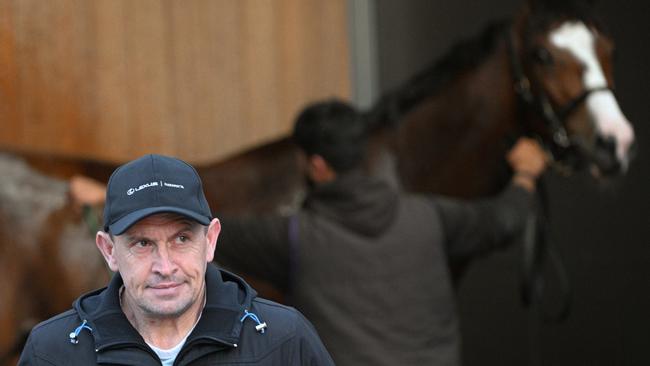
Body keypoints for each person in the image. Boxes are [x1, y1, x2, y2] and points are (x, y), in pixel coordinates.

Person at [213, 99, 548, 366]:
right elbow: (504, 220)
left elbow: (209, 233)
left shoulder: (293, 238)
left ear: (316, 166)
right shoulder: (430, 215)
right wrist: (526, 175)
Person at [18, 154, 335, 365]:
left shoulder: (284, 340)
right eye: (142, 243)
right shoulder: (52, 352)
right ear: (109, 250)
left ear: (210, 241)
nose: (165, 267)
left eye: (181, 239)